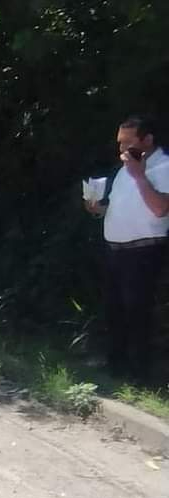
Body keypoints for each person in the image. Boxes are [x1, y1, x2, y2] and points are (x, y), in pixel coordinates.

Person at [85, 114, 169, 383]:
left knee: (138, 312)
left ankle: (141, 374)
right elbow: (123, 206)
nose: (121, 149)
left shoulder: (163, 166)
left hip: (143, 251)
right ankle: (116, 367)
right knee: (114, 310)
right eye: (119, 143)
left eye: (128, 142)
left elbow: (159, 209)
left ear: (147, 140)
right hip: (115, 249)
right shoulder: (125, 168)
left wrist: (140, 176)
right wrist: (99, 209)